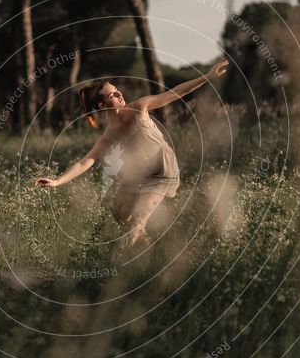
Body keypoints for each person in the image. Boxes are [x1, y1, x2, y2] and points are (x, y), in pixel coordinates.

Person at [34, 60, 229, 245]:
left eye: (118, 91)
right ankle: (148, 246)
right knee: (119, 214)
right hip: (138, 173)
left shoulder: (139, 107)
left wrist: (208, 76)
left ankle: (122, 266)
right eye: (113, 95)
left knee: (138, 220)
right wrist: (57, 181)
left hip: (162, 171)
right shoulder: (109, 135)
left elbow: (174, 93)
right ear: (102, 105)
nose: (120, 95)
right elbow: (85, 162)